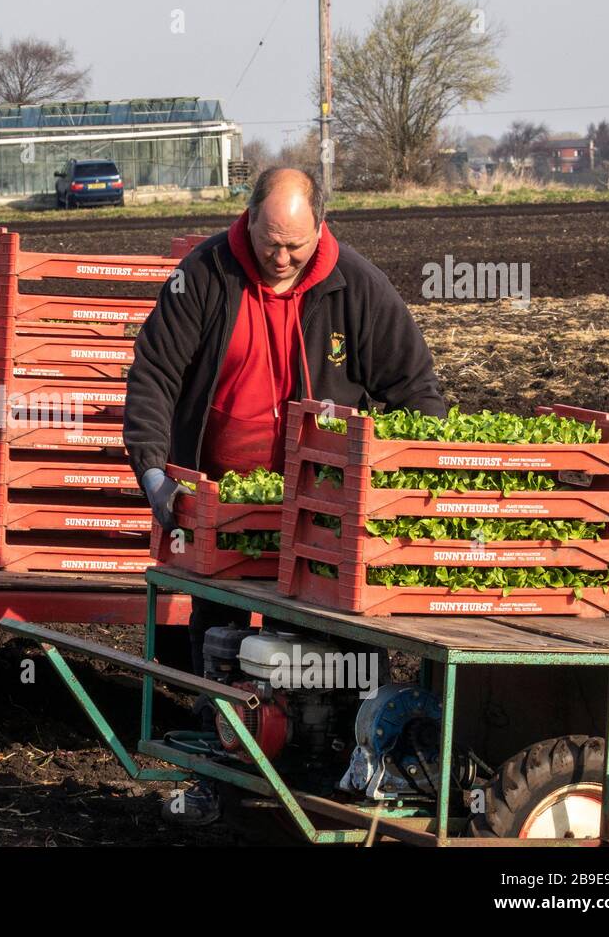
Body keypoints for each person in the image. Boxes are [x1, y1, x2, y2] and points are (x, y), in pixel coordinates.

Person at [124, 166, 447, 824]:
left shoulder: (357, 286)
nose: (280, 257)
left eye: (295, 247)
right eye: (270, 241)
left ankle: (348, 778)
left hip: (325, 509)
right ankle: (218, 776)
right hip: (226, 505)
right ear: (248, 220)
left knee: (338, 646)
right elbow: (154, 373)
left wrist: (404, 484)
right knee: (219, 636)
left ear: (319, 229)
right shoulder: (206, 274)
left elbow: (416, 391)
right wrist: (154, 471)